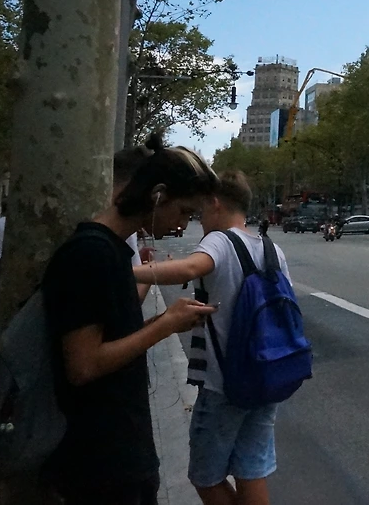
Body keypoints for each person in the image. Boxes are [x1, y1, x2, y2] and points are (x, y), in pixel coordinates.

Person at [42, 141, 218, 505]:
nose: (183, 224)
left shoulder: (113, 250)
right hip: (100, 461)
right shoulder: (90, 253)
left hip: (122, 452)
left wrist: (166, 320)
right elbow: (83, 365)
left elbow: (113, 336)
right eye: (184, 211)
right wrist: (164, 324)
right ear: (158, 195)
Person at [135, 171, 289, 505]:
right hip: (267, 377)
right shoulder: (272, 249)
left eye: (201, 211)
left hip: (223, 385)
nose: (200, 219)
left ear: (216, 203)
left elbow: (192, 268)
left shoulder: (219, 240)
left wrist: (129, 271)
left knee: (205, 477)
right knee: (251, 470)